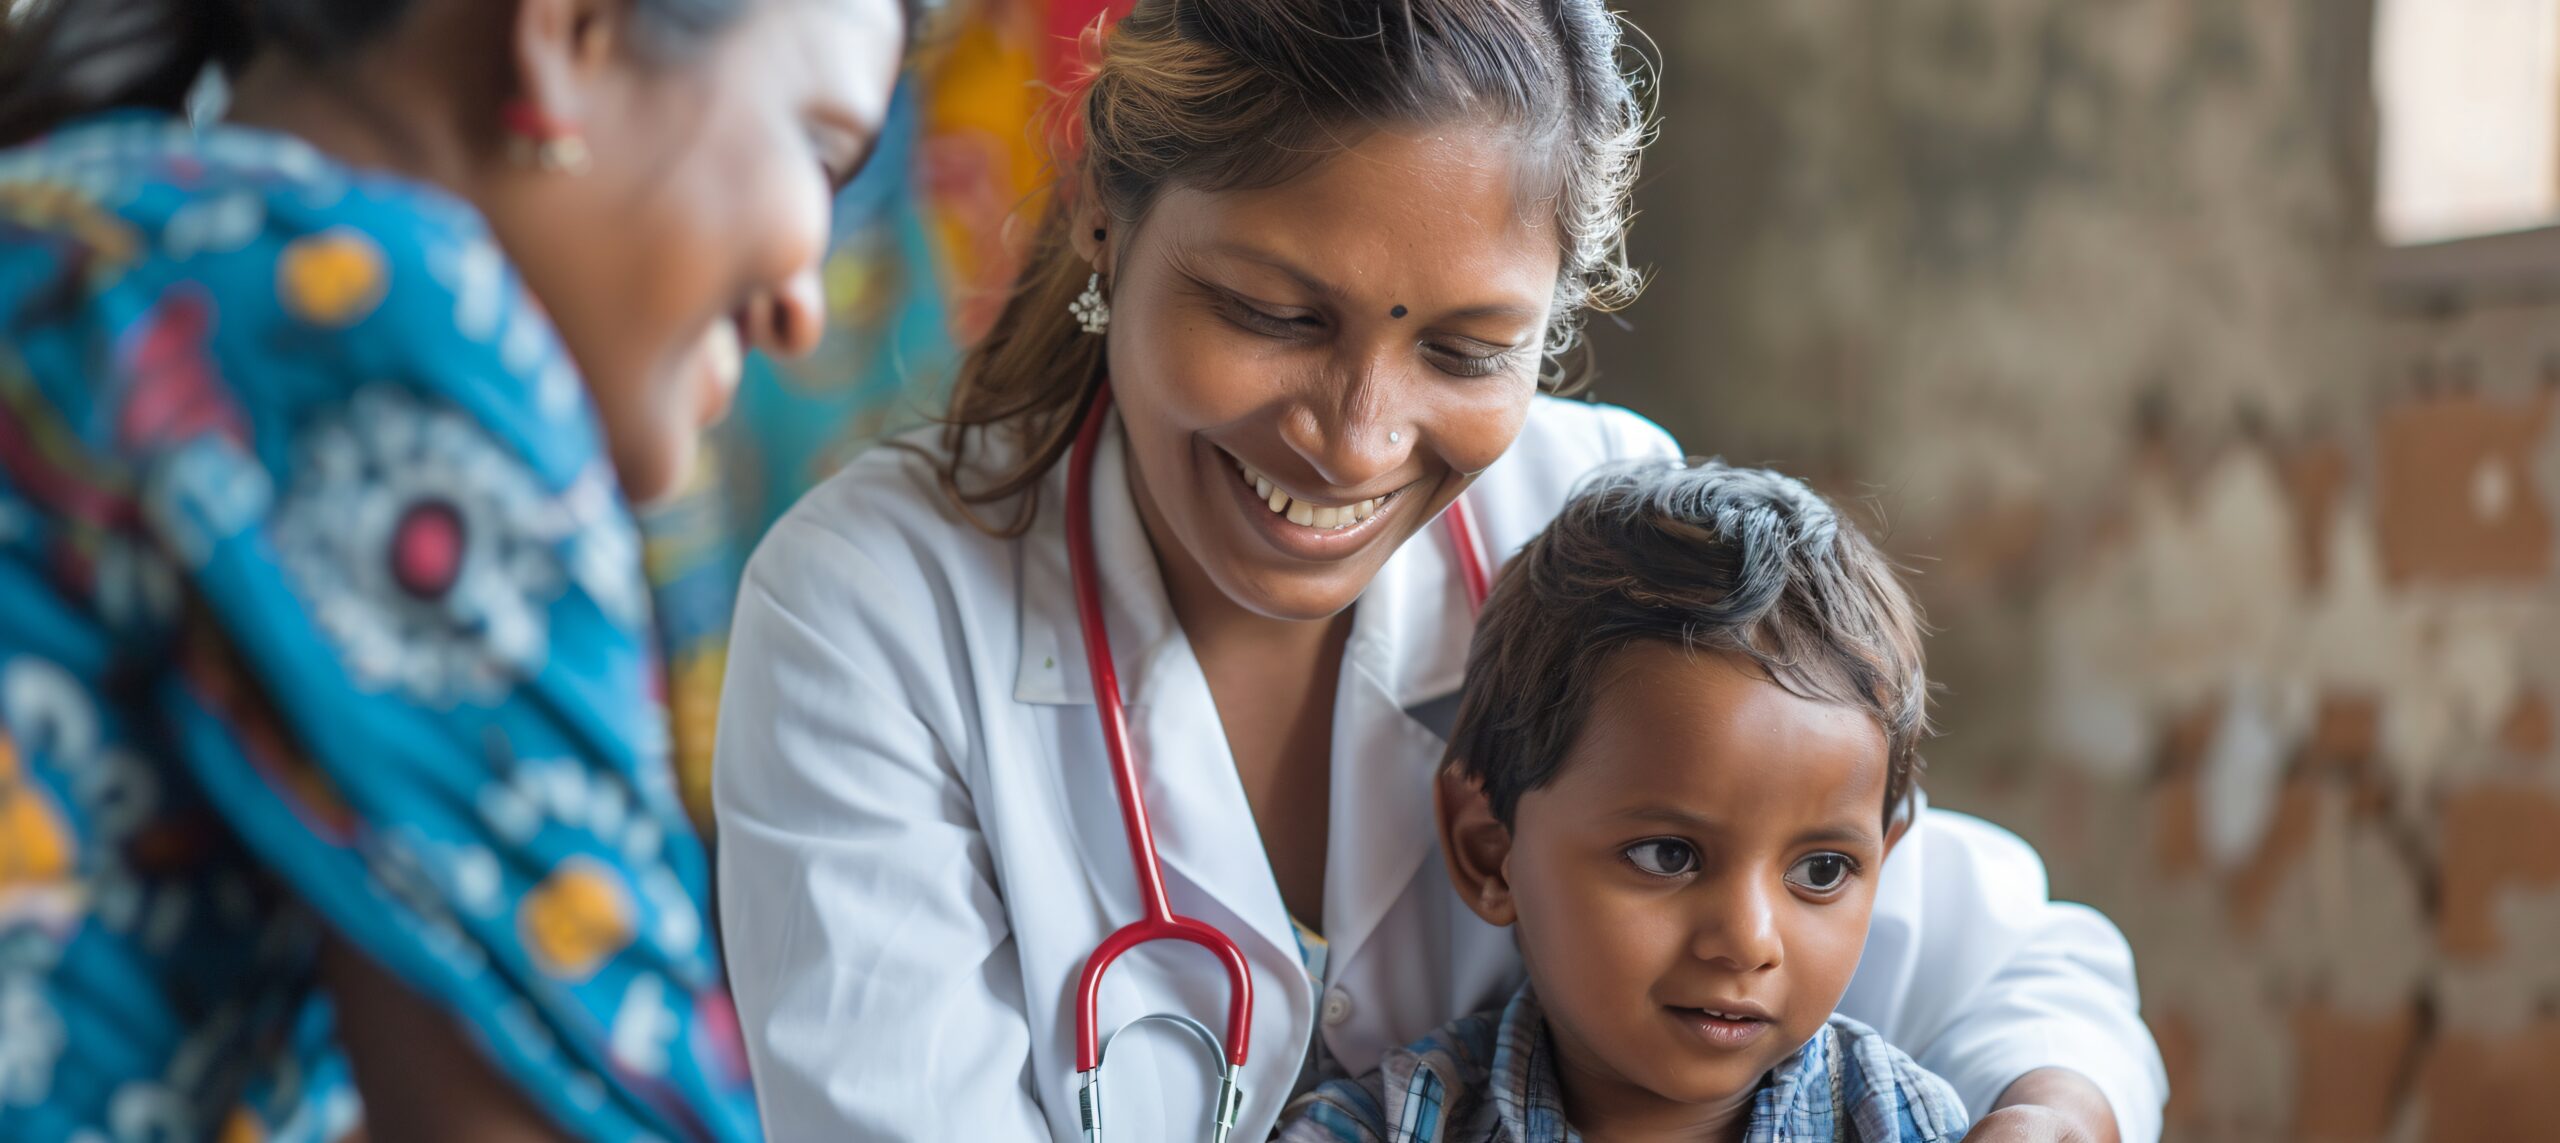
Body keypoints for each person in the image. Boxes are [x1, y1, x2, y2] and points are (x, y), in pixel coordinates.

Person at [710, 1, 2167, 1140]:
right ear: (1103, 204)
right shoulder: (875, 615)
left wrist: (2044, 1105)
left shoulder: (1592, 515)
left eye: (1469, 351)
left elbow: (2000, 963)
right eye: (1271, 312)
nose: (1356, 436)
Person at [0, 0, 904, 1139]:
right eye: (818, 153)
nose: (801, 309)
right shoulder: (360, 306)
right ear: (570, 35)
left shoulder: (83, 225)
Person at [1279, 460, 1967, 1142]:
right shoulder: (1390, 1127)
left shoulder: (1903, 1121)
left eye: (1822, 869)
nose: (1748, 940)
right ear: (1489, 847)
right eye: (1668, 855)